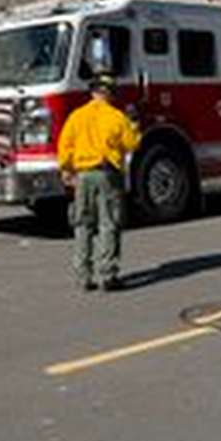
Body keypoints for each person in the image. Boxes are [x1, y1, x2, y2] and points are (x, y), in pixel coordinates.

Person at [57, 73, 140, 291]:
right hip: (107, 174)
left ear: (92, 92)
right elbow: (131, 145)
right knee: (108, 223)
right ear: (110, 93)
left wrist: (66, 170)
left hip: (82, 175)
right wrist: (134, 125)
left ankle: (83, 276)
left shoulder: (76, 116)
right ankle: (108, 275)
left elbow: (65, 146)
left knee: (83, 224)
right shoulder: (117, 117)